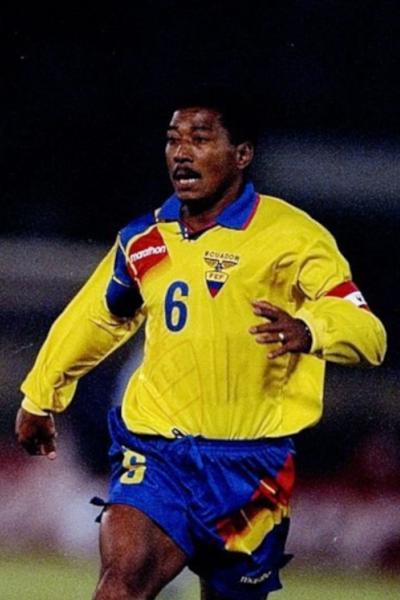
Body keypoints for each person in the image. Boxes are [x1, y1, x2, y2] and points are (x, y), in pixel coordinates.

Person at [16, 86, 387, 600]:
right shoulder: (146, 238)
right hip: (157, 452)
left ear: (241, 155)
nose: (182, 151)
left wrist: (311, 331)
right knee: (121, 582)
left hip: (250, 470)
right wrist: (40, 395)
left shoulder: (295, 238)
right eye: (173, 140)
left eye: (200, 138)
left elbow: (370, 334)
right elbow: (95, 319)